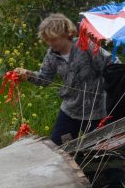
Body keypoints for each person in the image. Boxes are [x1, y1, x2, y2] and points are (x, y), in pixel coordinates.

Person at [14, 13, 114, 146]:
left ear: (66, 34)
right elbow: (45, 79)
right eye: (47, 40)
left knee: (103, 152)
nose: (50, 43)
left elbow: (111, 65)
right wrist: (28, 75)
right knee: (59, 148)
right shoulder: (51, 55)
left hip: (95, 112)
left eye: (53, 39)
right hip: (69, 110)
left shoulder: (85, 45)